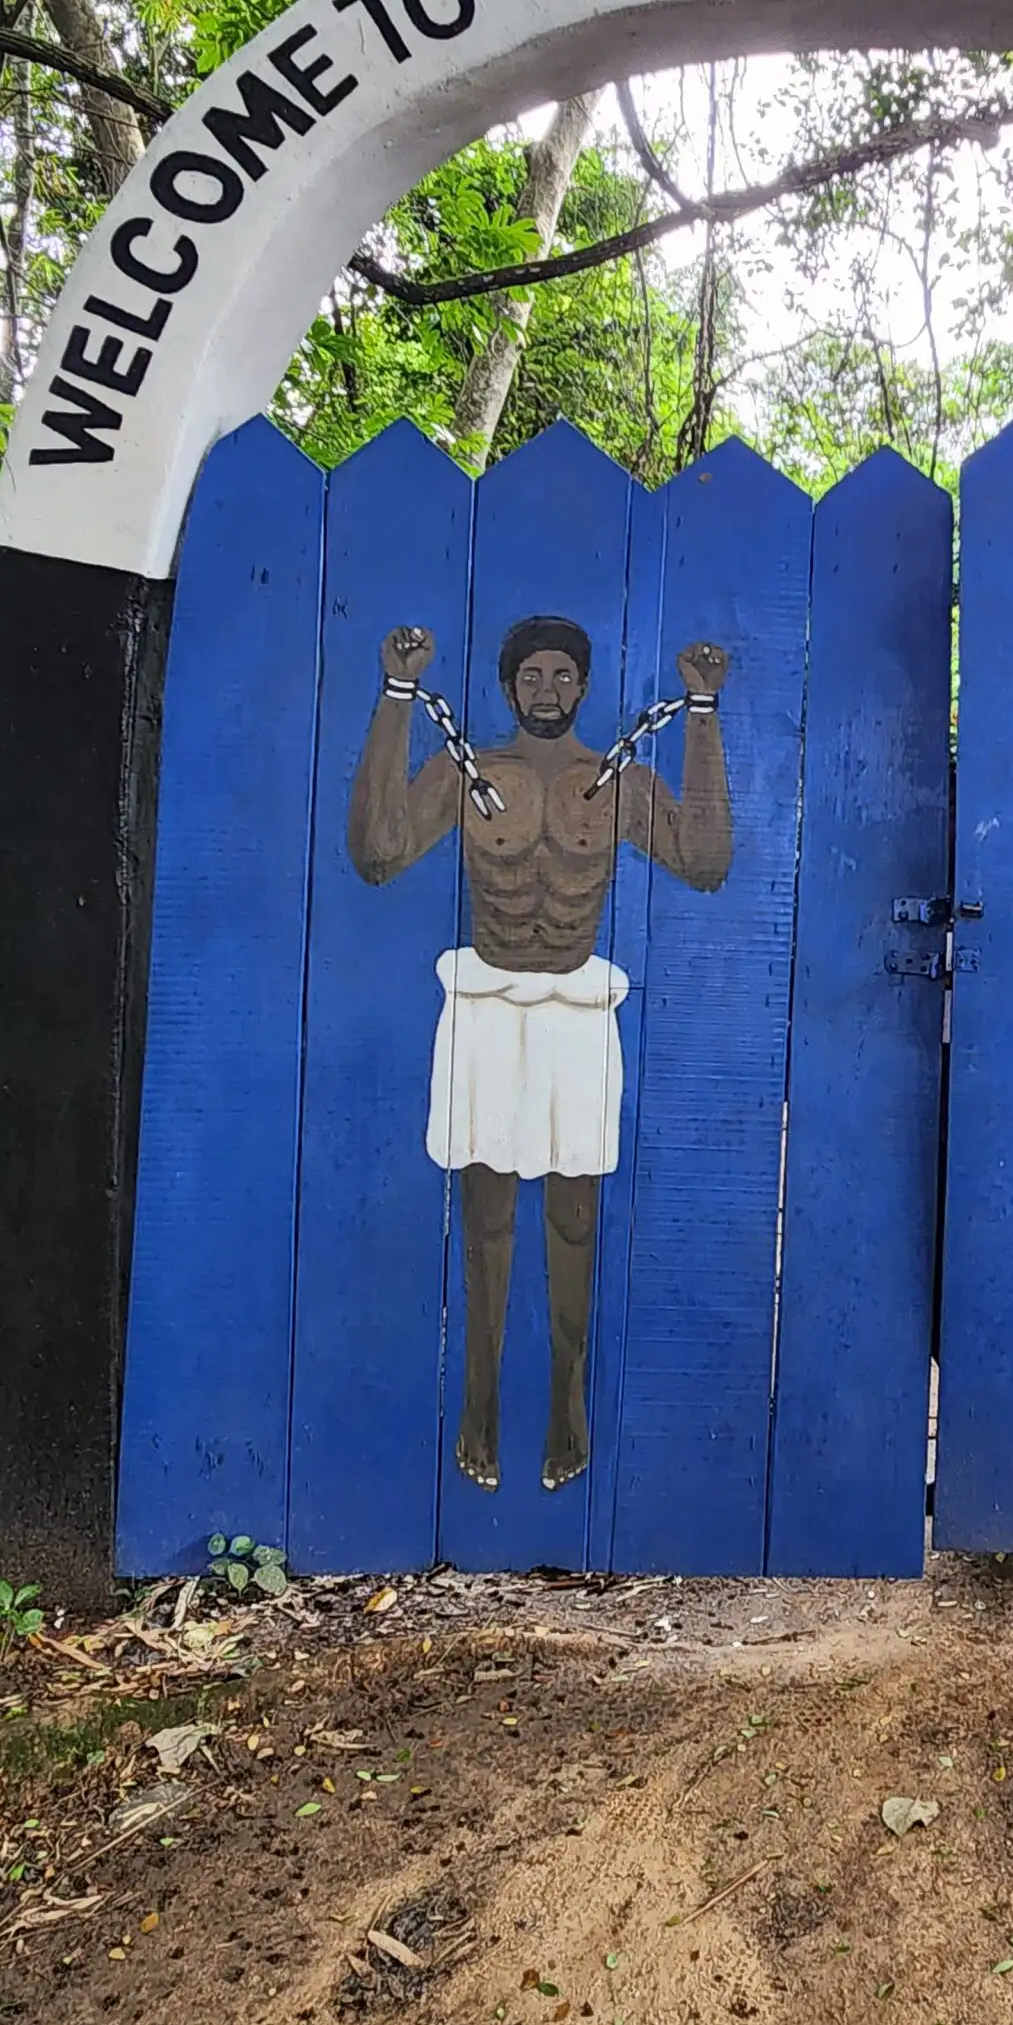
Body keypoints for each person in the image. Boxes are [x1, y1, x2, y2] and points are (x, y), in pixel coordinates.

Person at [348, 615, 731, 1492]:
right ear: (508, 686)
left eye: (564, 675)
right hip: (486, 1009)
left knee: (574, 1220)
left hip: (573, 1012)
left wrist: (702, 714)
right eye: (533, 676)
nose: (548, 689)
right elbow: (378, 854)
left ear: (585, 687)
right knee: (486, 1219)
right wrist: (397, 695)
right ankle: (480, 1404)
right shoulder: (472, 771)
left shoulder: (615, 780)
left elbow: (704, 860)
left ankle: (567, 1404)